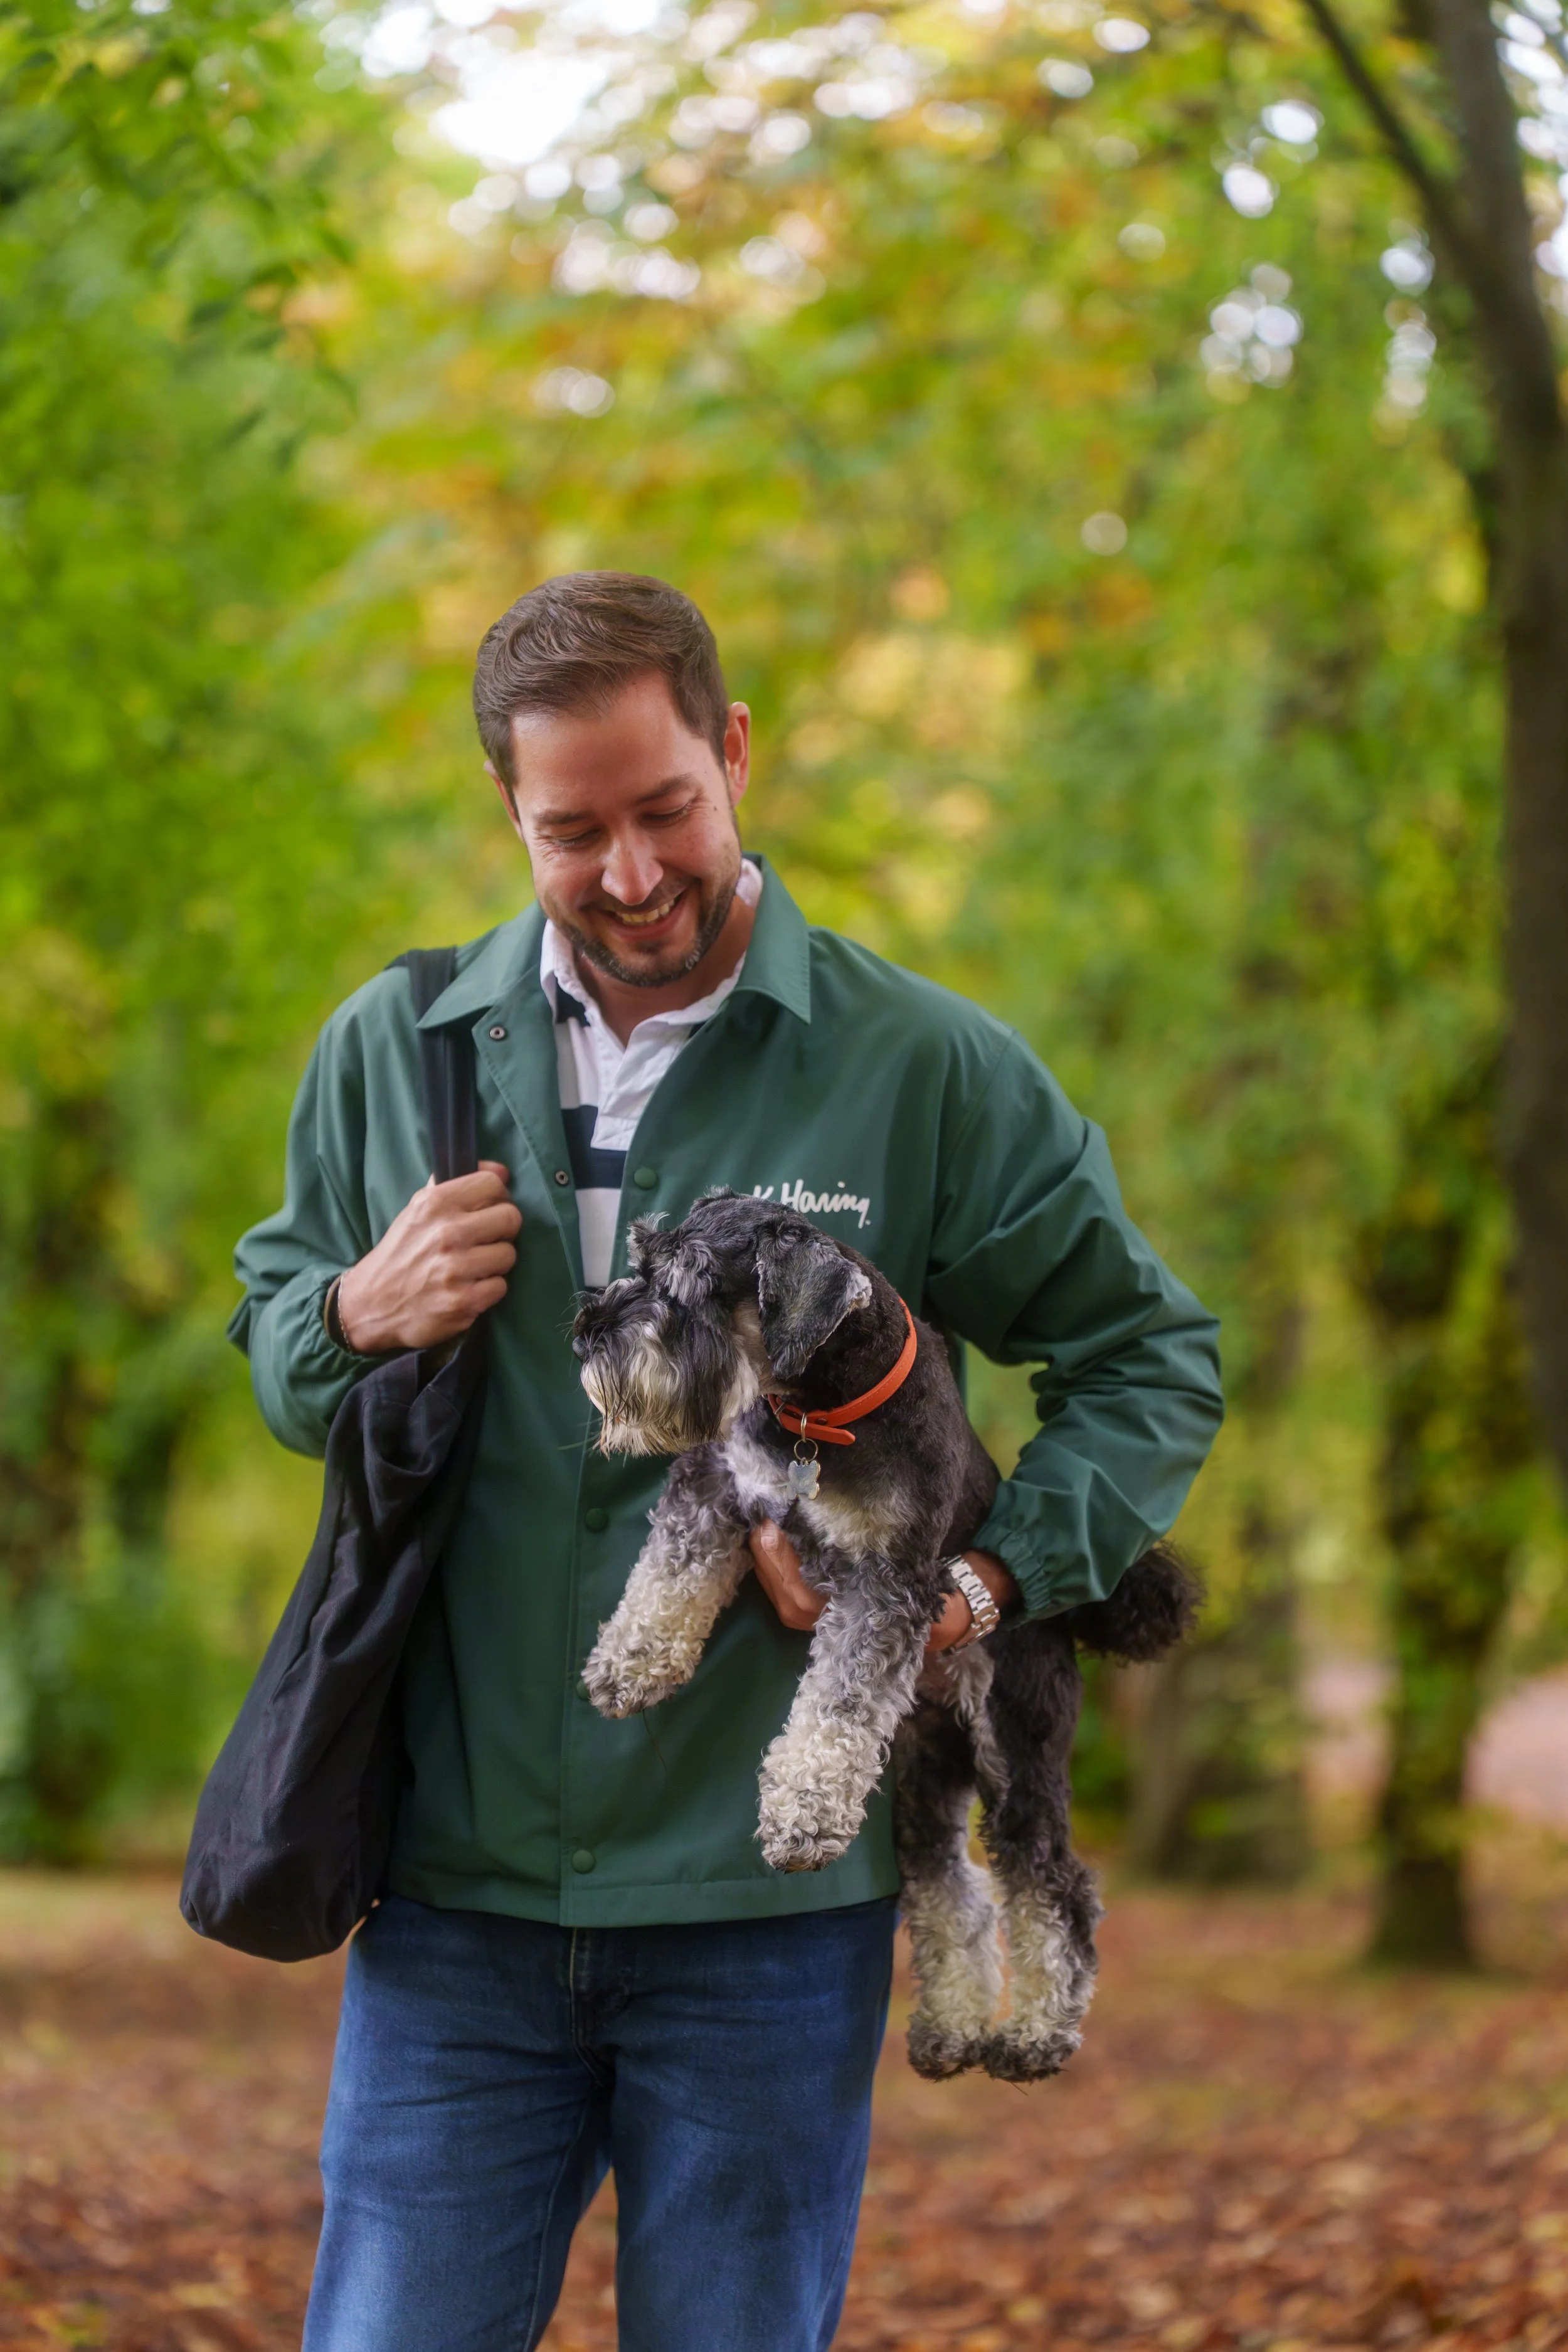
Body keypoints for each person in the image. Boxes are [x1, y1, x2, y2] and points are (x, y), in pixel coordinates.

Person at [230, 571, 1223, 2352]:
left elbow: (1148, 1355)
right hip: (453, 1895)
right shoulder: (396, 1045)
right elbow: (286, 1346)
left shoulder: (917, 1062)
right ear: (507, 813)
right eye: (572, 829)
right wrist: (356, 1311)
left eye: (664, 806)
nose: (628, 872)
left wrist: (989, 1578)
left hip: (768, 1918)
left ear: (736, 752)